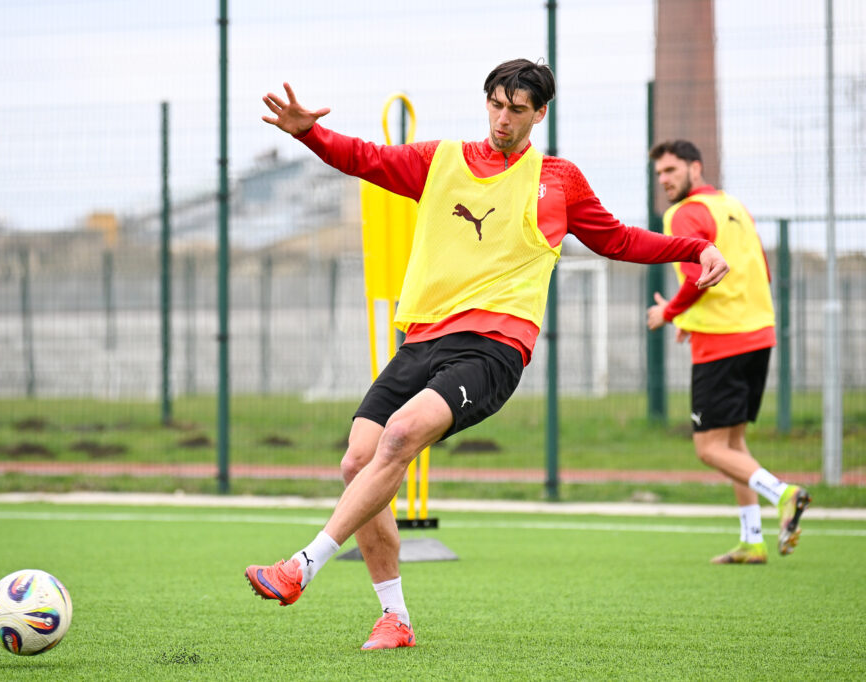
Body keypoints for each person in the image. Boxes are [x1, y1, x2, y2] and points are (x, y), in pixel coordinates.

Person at [245, 59, 729, 650]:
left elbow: (620, 239)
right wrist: (309, 132)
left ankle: (301, 566)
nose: (503, 119)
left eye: (517, 109)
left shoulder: (558, 180)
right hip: (422, 340)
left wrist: (695, 247)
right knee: (357, 463)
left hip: (494, 347)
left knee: (401, 435)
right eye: (496, 105)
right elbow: (365, 158)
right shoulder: (441, 161)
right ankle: (395, 619)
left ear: (540, 113)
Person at [646, 139, 810, 565]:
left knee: (708, 448)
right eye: (659, 173)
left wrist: (669, 313)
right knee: (734, 445)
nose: (664, 179)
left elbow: (696, 276)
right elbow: (760, 272)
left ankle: (785, 494)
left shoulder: (684, 213)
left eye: (671, 170)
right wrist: (691, 319)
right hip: (758, 334)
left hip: (723, 342)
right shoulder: (734, 206)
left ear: (695, 168)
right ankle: (752, 540)